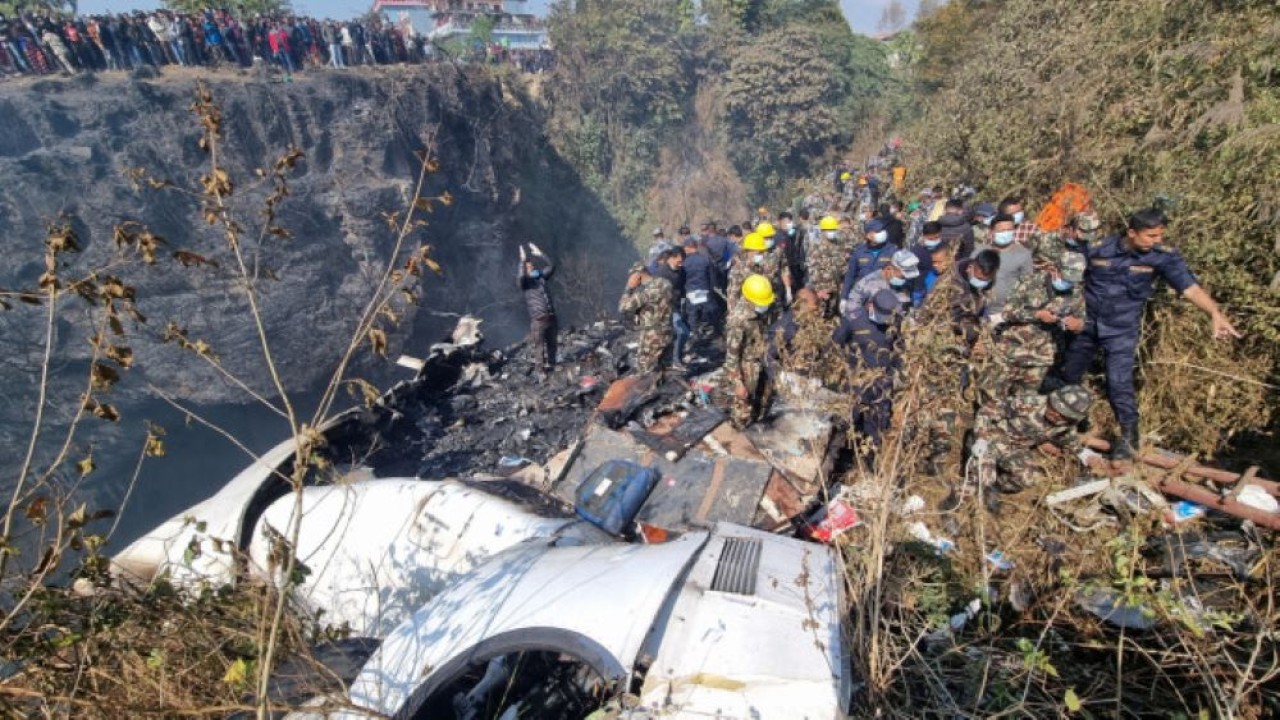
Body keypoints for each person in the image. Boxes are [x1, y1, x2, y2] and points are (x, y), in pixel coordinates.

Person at [1057, 208, 1240, 460]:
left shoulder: (1162, 257)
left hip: (1121, 330)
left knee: (1118, 383)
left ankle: (1129, 438)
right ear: (1132, 232)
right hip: (1086, 325)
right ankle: (1071, 423)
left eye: (1160, 235)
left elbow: (1189, 288)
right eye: (1151, 235)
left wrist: (1214, 313)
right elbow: (1072, 278)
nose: (1157, 241)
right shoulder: (1099, 247)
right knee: (1069, 374)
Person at [982, 252, 1086, 402]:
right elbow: (1007, 312)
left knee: (1026, 401)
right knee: (992, 394)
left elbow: (1082, 321)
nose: (1068, 283)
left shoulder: (1076, 293)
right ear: (1054, 270)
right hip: (1012, 348)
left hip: (1042, 356)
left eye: (1072, 281)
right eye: (1065, 278)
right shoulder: (1030, 282)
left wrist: (1078, 325)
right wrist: (1036, 315)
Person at [972, 385, 1093, 493]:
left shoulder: (1066, 425)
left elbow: (1069, 439)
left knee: (1031, 477)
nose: (1055, 413)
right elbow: (987, 411)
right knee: (983, 478)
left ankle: (994, 489)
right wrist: (981, 438)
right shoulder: (1030, 402)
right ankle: (969, 489)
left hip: (1017, 449)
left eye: (1063, 414)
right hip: (992, 438)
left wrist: (1081, 453)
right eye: (1054, 406)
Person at [833, 288, 902, 449]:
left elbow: (900, 348)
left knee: (877, 427)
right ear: (870, 305)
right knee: (846, 423)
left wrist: (898, 375)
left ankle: (871, 463)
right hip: (856, 381)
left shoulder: (894, 321)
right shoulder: (853, 320)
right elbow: (835, 344)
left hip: (882, 384)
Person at [722, 274, 780, 428]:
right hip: (746, 367)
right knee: (743, 405)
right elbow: (731, 358)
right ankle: (739, 431)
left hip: (759, 360)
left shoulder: (755, 312)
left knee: (763, 397)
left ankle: (757, 423)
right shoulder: (739, 320)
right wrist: (738, 383)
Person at [619, 254, 676, 375]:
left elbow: (623, 307)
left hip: (652, 336)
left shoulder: (648, 291)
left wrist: (628, 288)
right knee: (665, 372)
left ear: (638, 274)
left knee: (644, 373)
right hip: (668, 332)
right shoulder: (665, 283)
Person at [974, 213, 1032, 318]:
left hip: (1004, 313)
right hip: (977, 309)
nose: (1006, 233)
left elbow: (1028, 285)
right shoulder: (979, 251)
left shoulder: (1023, 254)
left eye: (1009, 230)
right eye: (1001, 230)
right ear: (992, 232)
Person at [839, 218, 898, 306]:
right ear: (869, 235)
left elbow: (898, 274)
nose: (882, 233)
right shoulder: (859, 251)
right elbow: (850, 275)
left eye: (882, 230)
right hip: (862, 297)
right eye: (878, 231)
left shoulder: (892, 250)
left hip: (882, 297)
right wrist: (844, 298)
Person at [518, 243, 557, 373]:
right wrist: (522, 261)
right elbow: (520, 277)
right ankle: (540, 372)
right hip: (538, 320)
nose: (532, 268)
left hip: (550, 317)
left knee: (552, 344)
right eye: (528, 267)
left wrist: (540, 254)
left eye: (532, 266)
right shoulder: (525, 283)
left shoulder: (541, 277)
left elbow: (551, 266)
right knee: (539, 348)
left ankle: (552, 365)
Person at [805, 215, 850, 317]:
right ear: (823, 231)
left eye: (833, 229)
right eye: (829, 230)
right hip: (823, 289)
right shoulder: (816, 247)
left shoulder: (839, 245)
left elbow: (843, 265)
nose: (832, 232)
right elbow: (813, 270)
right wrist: (818, 290)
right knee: (821, 314)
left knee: (835, 314)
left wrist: (843, 282)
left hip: (837, 287)